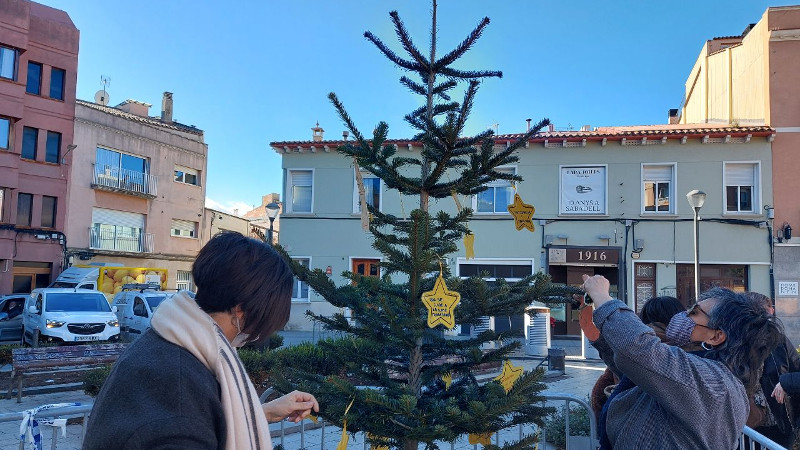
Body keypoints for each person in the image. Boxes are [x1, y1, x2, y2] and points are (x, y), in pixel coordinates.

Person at [84, 232, 319, 449]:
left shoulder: (168, 340)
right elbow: (183, 419)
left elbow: (199, 417)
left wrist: (262, 412)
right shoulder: (178, 391)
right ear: (241, 310)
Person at [583, 275, 783, 449]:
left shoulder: (714, 383)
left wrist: (604, 298)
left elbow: (639, 349)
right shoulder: (703, 367)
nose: (683, 316)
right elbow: (636, 369)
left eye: (695, 313)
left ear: (716, 337)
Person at [740, 291, 800, 447]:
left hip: (780, 422)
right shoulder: (735, 342)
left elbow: (796, 369)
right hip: (747, 424)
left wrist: (786, 382)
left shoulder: (779, 339)